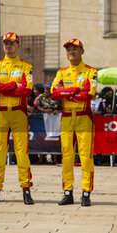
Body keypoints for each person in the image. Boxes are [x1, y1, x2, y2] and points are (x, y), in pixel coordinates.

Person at [0, 32, 34, 205]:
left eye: (12, 43)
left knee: (22, 153)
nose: (8, 46)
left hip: (19, 113)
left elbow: (27, 90)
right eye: (6, 43)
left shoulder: (26, 67)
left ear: (18, 45)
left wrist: (2, 88)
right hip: (1, 113)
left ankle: (26, 190)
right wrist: (14, 85)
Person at [51, 38, 97, 206]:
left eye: (75, 49)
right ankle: (67, 192)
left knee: (85, 157)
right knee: (67, 157)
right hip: (67, 118)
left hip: (84, 117)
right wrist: (75, 90)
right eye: (68, 49)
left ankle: (86, 193)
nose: (71, 52)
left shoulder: (91, 71)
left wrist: (66, 92)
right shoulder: (61, 72)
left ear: (82, 51)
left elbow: (89, 94)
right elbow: (54, 93)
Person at [35, 82, 62, 165]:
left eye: (48, 89)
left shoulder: (57, 97)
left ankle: (55, 159)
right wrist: (45, 111)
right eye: (45, 89)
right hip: (42, 120)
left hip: (54, 120)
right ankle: (41, 159)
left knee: (53, 139)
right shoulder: (41, 97)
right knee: (42, 139)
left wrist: (57, 111)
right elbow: (37, 106)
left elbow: (62, 107)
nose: (46, 90)